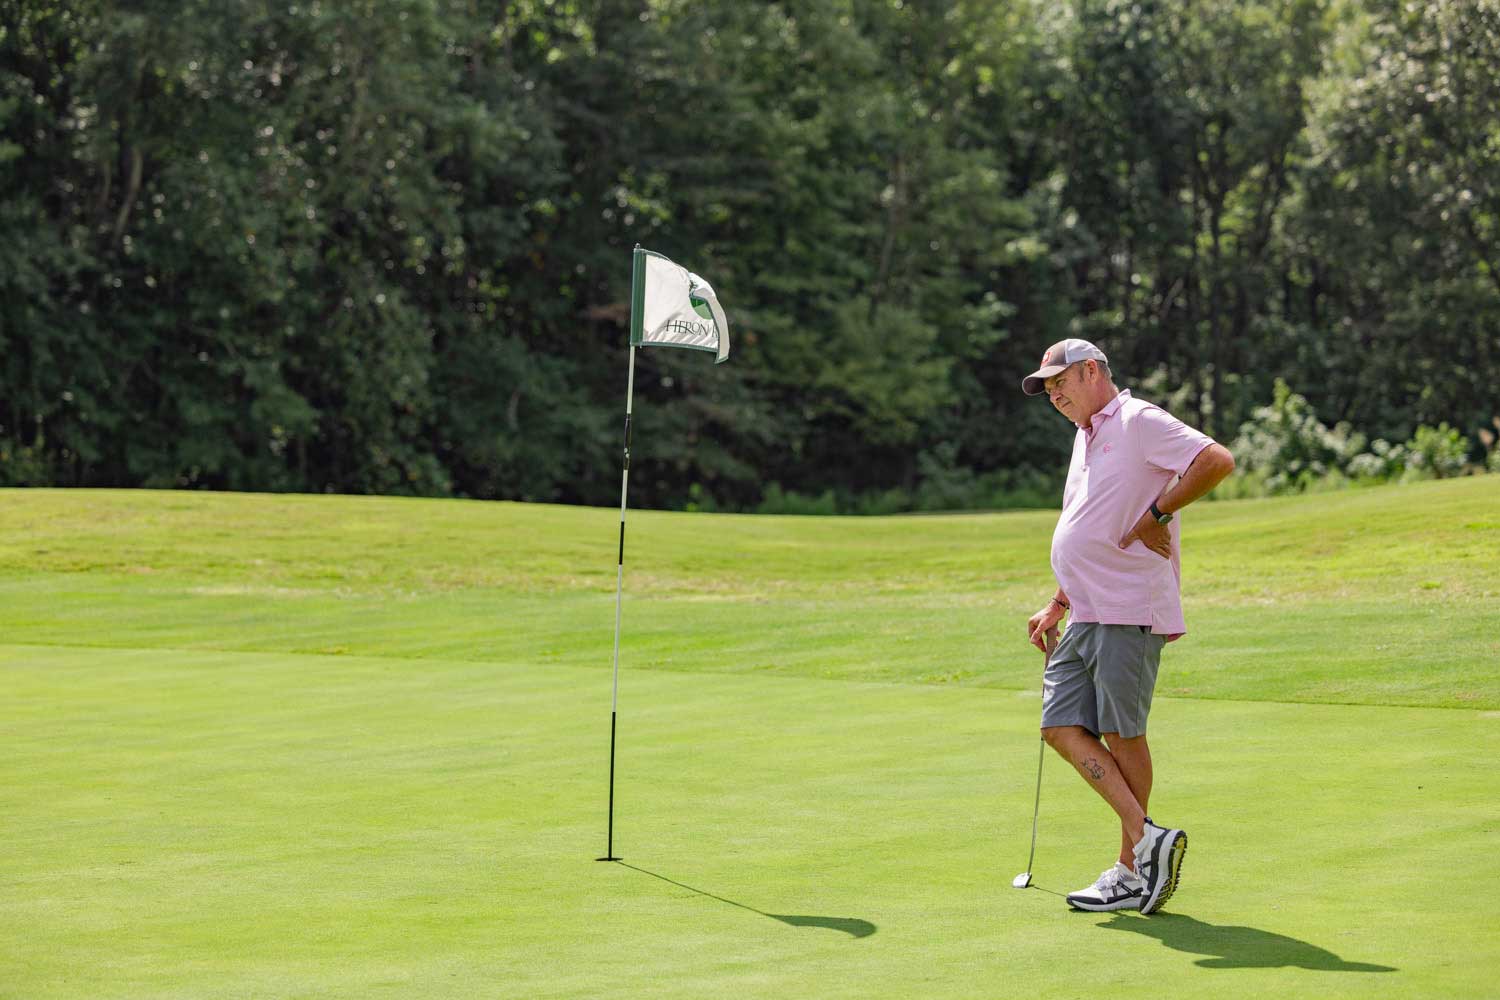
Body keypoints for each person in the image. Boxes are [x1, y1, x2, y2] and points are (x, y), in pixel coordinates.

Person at [1020, 338, 1235, 914]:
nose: (1053, 395)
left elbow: (1216, 459)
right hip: (1086, 608)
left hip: (1128, 606)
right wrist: (1058, 601)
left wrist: (1158, 514)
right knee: (1058, 726)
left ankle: (1132, 870)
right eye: (1047, 389)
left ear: (1092, 371)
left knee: (1122, 734)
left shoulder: (1138, 420)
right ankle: (1147, 840)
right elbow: (1087, 522)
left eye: (1060, 382)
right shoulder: (1084, 436)